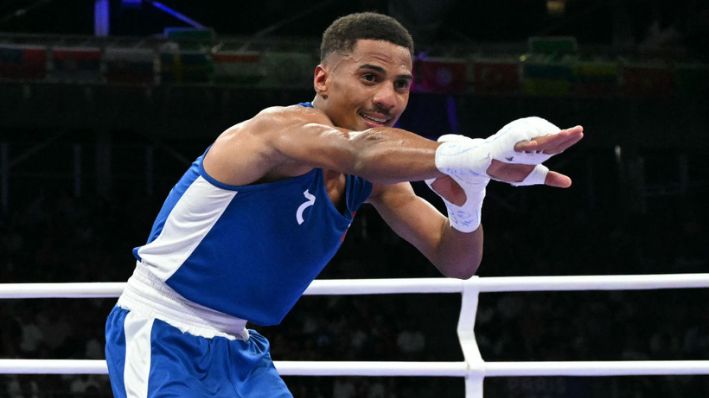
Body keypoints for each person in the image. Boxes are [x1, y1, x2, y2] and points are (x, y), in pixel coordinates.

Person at [104, 11, 584, 398]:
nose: (386, 98)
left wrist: (470, 195)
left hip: (240, 346)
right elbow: (358, 148)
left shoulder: (373, 179)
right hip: (163, 328)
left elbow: (456, 260)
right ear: (322, 79)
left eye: (401, 84)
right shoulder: (272, 132)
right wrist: (475, 153)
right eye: (370, 76)